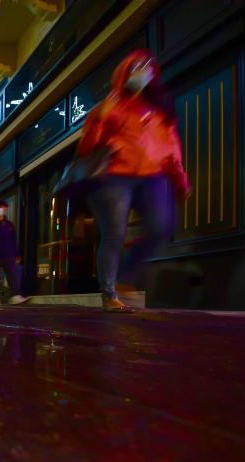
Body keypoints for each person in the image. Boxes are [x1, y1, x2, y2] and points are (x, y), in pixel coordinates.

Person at [78, 49, 190, 312]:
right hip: (113, 176)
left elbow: (171, 149)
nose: (143, 72)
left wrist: (180, 179)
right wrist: (98, 118)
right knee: (115, 233)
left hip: (152, 176)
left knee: (161, 226)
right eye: (137, 67)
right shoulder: (110, 107)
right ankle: (109, 293)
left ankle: (125, 275)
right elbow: (87, 148)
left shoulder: (160, 111)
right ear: (124, 73)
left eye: (148, 67)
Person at [0, 200, 28, 305]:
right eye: (1, 208)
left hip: (8, 255)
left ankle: (15, 295)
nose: (3, 211)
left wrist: (17, 254)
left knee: (13, 276)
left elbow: (13, 240)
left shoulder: (9, 224)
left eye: (4, 208)